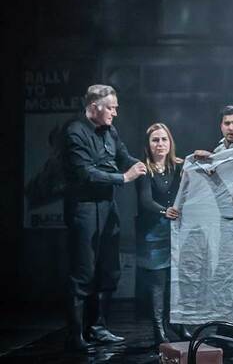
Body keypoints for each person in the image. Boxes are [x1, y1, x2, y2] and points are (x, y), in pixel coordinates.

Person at [62, 84, 147, 350]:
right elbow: (86, 172)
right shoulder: (74, 131)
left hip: (108, 207)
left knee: (109, 270)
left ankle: (97, 327)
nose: (114, 113)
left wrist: (151, 164)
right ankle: (75, 334)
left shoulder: (110, 131)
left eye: (116, 108)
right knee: (83, 273)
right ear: (94, 107)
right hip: (84, 209)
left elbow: (123, 157)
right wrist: (123, 177)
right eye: (111, 108)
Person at [134, 123, 183, 346]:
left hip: (177, 232)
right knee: (158, 283)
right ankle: (158, 329)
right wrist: (165, 211)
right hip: (153, 233)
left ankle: (174, 324)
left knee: (175, 281)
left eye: (164, 139)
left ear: (170, 142)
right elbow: (145, 202)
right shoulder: (143, 169)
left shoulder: (179, 166)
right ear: (148, 145)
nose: (160, 144)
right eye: (155, 140)